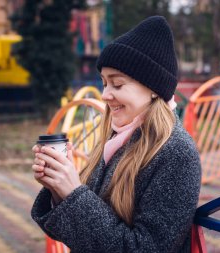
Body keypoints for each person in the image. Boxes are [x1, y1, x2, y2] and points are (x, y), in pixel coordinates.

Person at [31, 16, 201, 253]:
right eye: (104, 83)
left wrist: (73, 192)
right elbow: (86, 232)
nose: (105, 95)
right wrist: (59, 188)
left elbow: (144, 248)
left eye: (117, 85)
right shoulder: (118, 137)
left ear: (153, 89)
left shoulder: (177, 153)